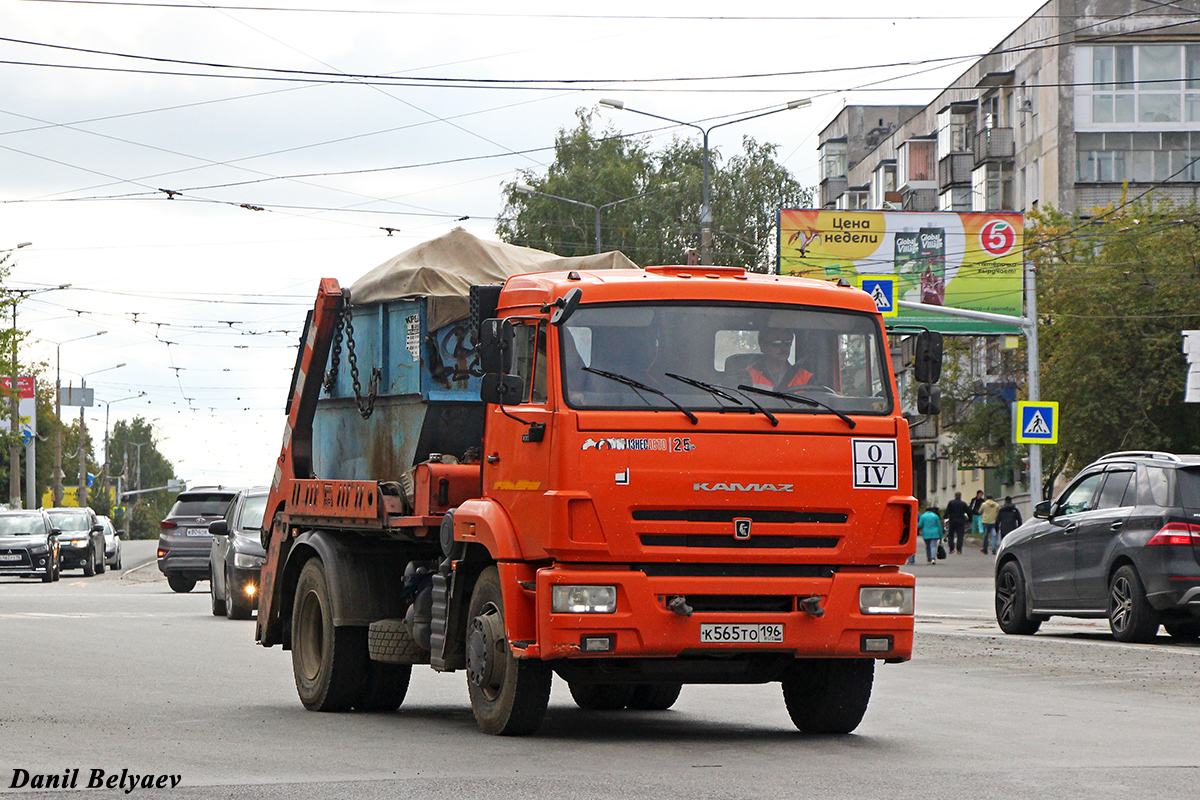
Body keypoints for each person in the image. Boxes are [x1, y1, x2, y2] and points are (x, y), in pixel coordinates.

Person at [742, 328, 811, 391]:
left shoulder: (805, 377)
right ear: (763, 346)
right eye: (777, 343)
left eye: (787, 342)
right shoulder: (748, 374)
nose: (783, 347)